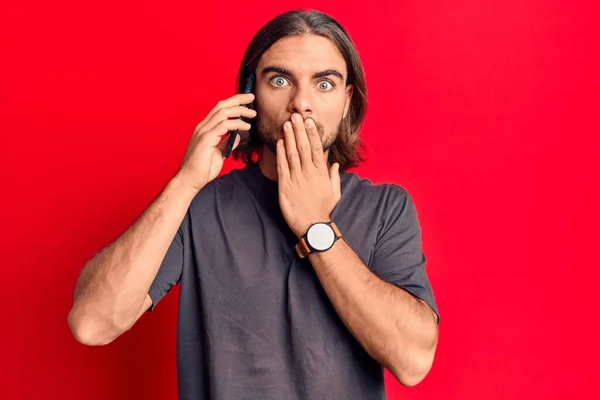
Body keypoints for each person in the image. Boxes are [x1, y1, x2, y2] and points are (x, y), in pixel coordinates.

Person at [68, 9, 440, 400]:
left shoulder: (386, 209)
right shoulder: (199, 207)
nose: (301, 103)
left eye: (324, 84)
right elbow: (91, 324)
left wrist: (315, 225)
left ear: (347, 100)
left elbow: (413, 362)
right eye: (279, 80)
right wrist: (185, 182)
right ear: (250, 94)